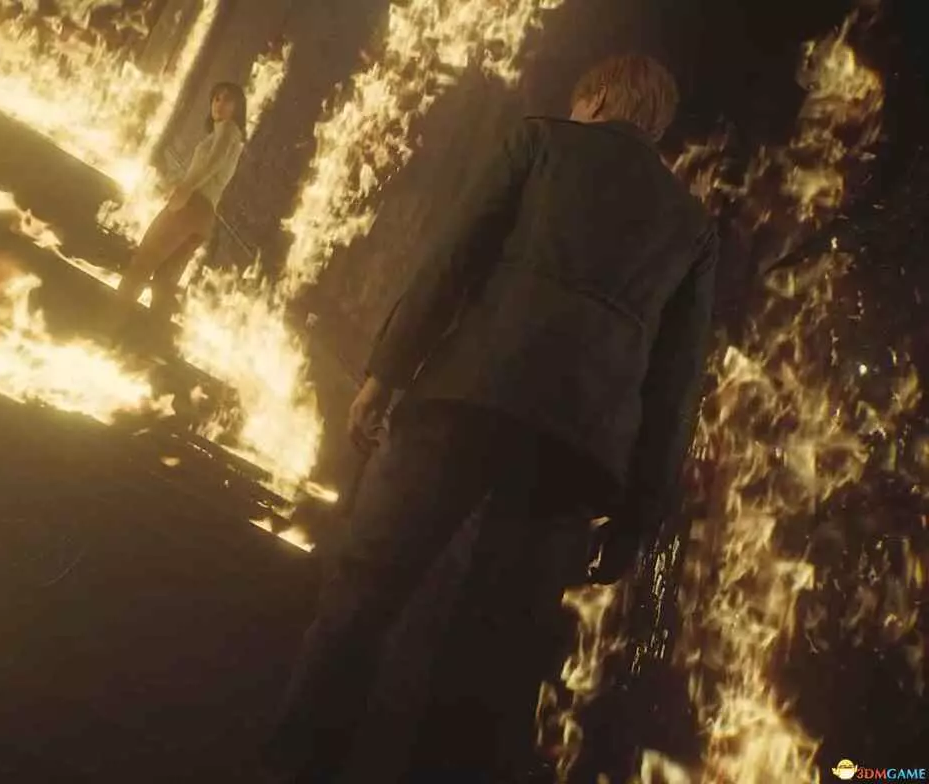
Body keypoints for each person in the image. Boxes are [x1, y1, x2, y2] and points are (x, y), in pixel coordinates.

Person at [261, 54, 719, 783]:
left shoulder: (540, 142)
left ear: (598, 97)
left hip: (466, 398)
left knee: (366, 590)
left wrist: (387, 370)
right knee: (493, 650)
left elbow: (452, 260)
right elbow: (676, 385)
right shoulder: (693, 228)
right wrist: (639, 515)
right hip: (575, 449)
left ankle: (299, 765)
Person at [112, 81, 246, 326]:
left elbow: (212, 162)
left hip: (190, 207)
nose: (219, 104)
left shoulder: (228, 130)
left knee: (142, 264)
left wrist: (184, 190)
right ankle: (148, 342)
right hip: (204, 217)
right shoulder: (229, 136)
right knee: (165, 283)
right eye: (216, 98)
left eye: (227, 99)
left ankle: (107, 325)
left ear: (238, 107)